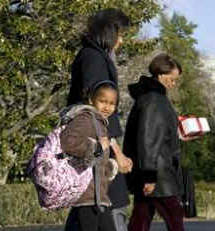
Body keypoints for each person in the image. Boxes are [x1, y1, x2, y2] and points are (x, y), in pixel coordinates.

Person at [65, 8, 132, 231]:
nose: (121, 41)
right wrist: (117, 151)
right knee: (100, 208)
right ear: (109, 33)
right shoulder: (94, 59)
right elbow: (98, 110)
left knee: (88, 212)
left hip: (94, 148)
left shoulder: (92, 56)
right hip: (96, 148)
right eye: (120, 34)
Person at [124, 53, 189, 231]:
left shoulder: (151, 98)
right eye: (172, 79)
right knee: (174, 217)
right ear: (160, 74)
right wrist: (149, 177)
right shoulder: (154, 100)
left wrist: (180, 134)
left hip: (153, 170)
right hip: (158, 174)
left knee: (141, 218)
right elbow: (149, 139)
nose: (173, 83)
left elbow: (155, 135)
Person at [60, 80, 120, 231]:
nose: (107, 107)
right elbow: (68, 142)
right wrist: (98, 147)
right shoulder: (85, 118)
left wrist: (108, 167)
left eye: (112, 103)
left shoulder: (100, 123)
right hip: (86, 195)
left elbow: (96, 159)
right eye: (102, 101)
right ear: (91, 100)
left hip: (96, 196)